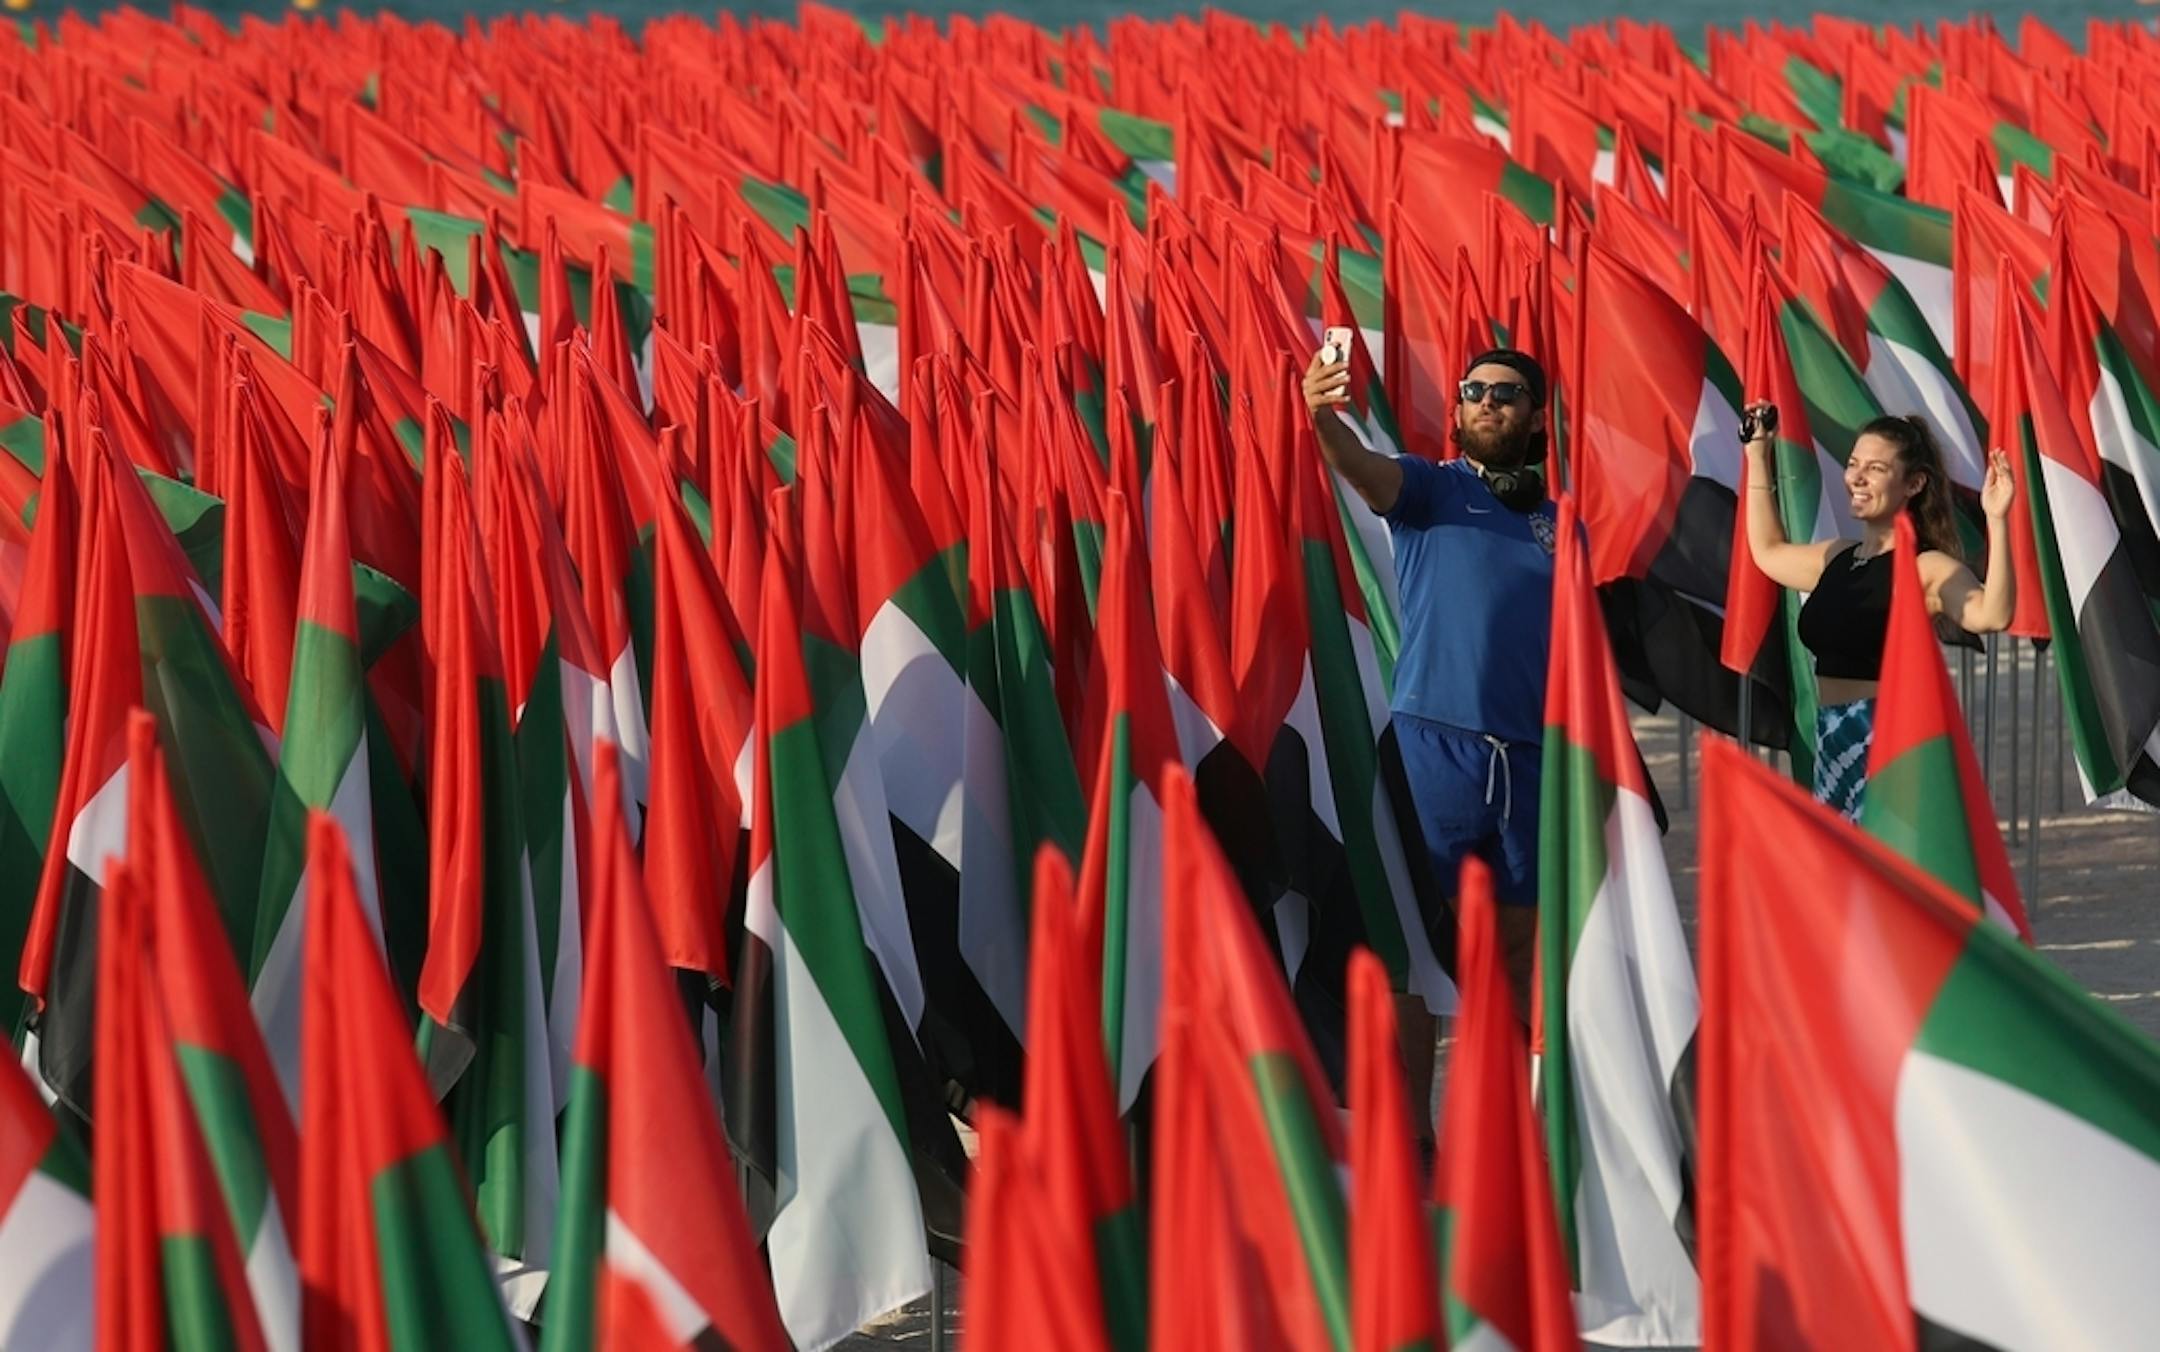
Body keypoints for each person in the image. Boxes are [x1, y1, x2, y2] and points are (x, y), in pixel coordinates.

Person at [1303, 344, 1558, 1065]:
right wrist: (1322, 415)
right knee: (1413, 951)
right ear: (1457, 408)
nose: (1486, 401)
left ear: (1536, 416)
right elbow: (1356, 464)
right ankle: (1415, 1136)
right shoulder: (1428, 488)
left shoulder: (1563, 525)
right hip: (1434, 752)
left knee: (1515, 947)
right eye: (1474, 390)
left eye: (1505, 394)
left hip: (1529, 759)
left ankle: (1503, 1126)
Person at [1742, 407, 2017, 819]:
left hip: (1886, 741)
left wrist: (1997, 521)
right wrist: (1757, 456)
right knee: (1842, 875)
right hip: (1830, 737)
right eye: (1853, 464)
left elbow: (1991, 616)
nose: (1857, 477)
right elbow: (1767, 552)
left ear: (1914, 483)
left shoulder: (1926, 567)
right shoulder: (1838, 557)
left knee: (1881, 872)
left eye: (1875, 468)